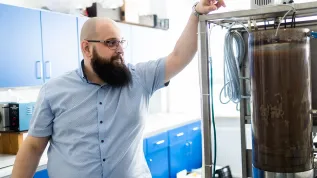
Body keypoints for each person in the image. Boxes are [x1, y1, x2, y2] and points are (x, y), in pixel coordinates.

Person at [11, 0, 225, 177]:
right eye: (111, 43)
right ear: (87, 48)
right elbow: (33, 147)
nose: (120, 50)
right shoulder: (54, 91)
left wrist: (196, 13)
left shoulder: (139, 78)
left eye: (121, 42)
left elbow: (179, 56)